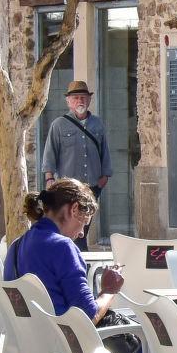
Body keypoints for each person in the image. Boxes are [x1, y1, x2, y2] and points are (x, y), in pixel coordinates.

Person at [5, 179, 133, 353]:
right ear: (74, 209)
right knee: (136, 340)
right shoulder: (63, 247)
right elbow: (89, 316)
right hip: (65, 351)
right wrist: (109, 289)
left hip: (28, 350)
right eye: (84, 224)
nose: (81, 233)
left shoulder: (16, 247)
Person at [39, 81, 111, 237]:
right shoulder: (58, 125)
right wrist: (49, 178)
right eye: (76, 98)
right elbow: (50, 152)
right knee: (69, 228)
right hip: (68, 190)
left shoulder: (97, 124)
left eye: (83, 97)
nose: (80, 101)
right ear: (69, 102)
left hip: (92, 186)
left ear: (89, 100)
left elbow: (105, 151)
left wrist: (104, 178)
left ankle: (81, 254)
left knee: (83, 228)